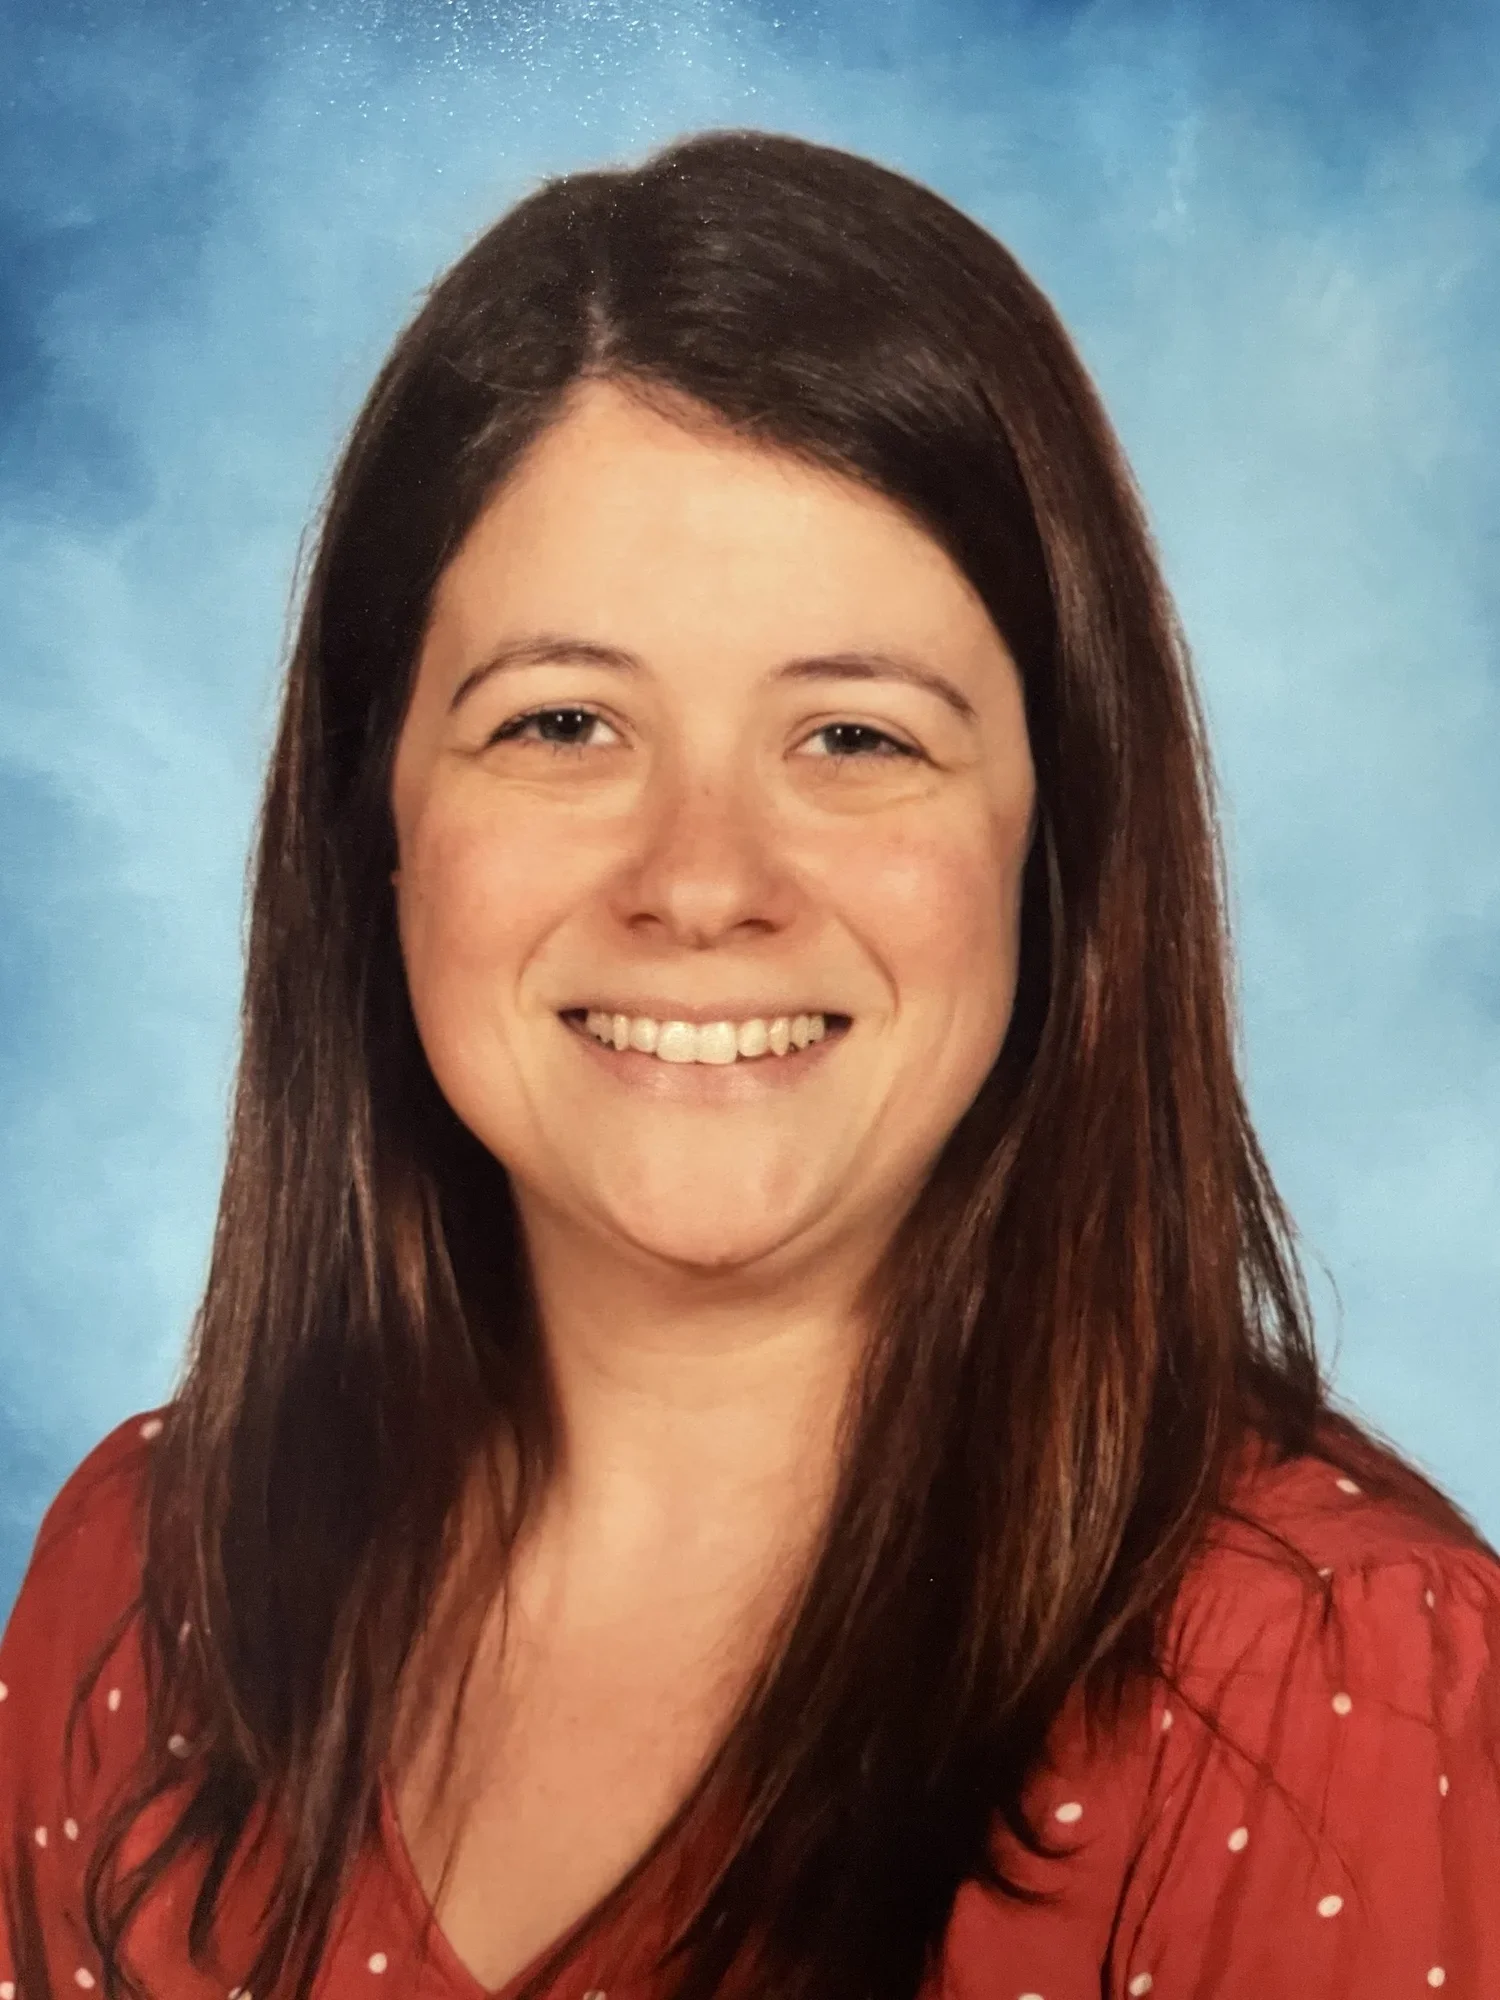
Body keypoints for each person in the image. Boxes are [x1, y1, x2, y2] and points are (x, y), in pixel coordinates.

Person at [1, 127, 1496, 2000]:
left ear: (1061, 842)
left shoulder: (1331, 1686)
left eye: (856, 738)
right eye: (562, 721)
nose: (701, 884)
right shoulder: (149, 1590)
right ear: (371, 822)